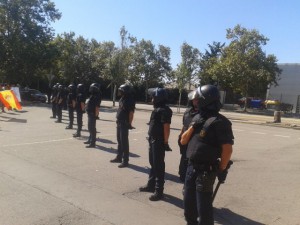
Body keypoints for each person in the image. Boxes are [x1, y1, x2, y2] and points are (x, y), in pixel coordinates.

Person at [180, 84, 234, 225]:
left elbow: (227, 149)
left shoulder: (221, 122)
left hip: (206, 172)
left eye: (198, 99)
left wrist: (222, 169)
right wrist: (193, 125)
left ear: (206, 100)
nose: (194, 101)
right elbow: (183, 140)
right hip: (191, 168)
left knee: (204, 210)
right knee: (188, 206)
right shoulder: (197, 117)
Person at [139, 87, 173, 201]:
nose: (151, 99)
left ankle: (159, 191)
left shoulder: (164, 110)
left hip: (158, 141)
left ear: (158, 98)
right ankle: (151, 185)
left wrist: (165, 142)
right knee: (153, 163)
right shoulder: (157, 109)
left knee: (158, 165)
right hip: (153, 139)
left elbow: (166, 127)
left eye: (153, 97)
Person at [110, 83, 136, 168]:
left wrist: (129, 124)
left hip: (124, 123)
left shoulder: (130, 100)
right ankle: (119, 157)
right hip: (119, 122)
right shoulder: (122, 98)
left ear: (126, 91)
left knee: (124, 142)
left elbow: (131, 113)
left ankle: (125, 161)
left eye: (121, 90)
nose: (120, 91)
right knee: (119, 141)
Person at [178, 89, 199, 182]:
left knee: (191, 159)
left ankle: (189, 177)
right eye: (194, 99)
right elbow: (184, 125)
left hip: (195, 140)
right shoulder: (188, 111)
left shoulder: (203, 113)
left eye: (197, 99)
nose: (195, 101)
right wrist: (180, 135)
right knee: (184, 157)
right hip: (185, 138)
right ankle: (182, 175)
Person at [84, 83, 101, 148]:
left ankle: (92, 143)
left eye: (92, 88)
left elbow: (97, 107)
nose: (90, 89)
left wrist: (96, 115)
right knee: (90, 128)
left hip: (92, 114)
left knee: (92, 128)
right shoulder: (93, 95)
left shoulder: (97, 96)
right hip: (90, 113)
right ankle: (90, 139)